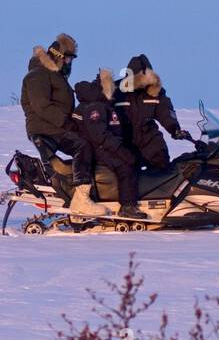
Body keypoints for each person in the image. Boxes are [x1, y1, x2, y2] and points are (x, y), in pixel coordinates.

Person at [19, 33, 101, 217]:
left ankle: (88, 191)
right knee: (83, 146)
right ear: (58, 56)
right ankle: (81, 199)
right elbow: (42, 105)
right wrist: (67, 122)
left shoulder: (53, 75)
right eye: (68, 59)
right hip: (46, 128)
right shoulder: (38, 74)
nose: (70, 63)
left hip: (53, 126)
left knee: (92, 146)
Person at [72, 69, 144, 220]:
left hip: (100, 146)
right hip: (98, 148)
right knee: (125, 165)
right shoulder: (96, 106)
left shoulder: (101, 103)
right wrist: (120, 150)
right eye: (110, 85)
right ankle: (127, 206)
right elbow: (99, 135)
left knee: (132, 159)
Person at [115, 54, 194, 171]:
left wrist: (174, 129)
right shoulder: (117, 92)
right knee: (126, 174)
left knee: (162, 166)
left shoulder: (155, 92)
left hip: (149, 139)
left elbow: (165, 113)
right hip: (124, 140)